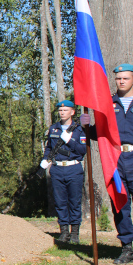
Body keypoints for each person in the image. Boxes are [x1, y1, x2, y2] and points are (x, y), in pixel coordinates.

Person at [83, 64, 133, 265]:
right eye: (118, 78)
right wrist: (86, 126)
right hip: (116, 160)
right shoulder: (108, 103)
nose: (121, 81)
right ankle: (126, 248)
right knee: (120, 204)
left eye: (125, 78)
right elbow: (99, 133)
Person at [39, 100, 87, 243]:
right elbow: (49, 148)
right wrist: (45, 159)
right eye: (60, 110)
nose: (62, 112)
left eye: (65, 110)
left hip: (74, 168)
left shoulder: (79, 130)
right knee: (60, 202)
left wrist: (70, 141)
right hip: (57, 169)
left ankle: (75, 233)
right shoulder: (54, 128)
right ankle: (64, 232)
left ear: (72, 112)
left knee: (74, 201)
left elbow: (82, 150)